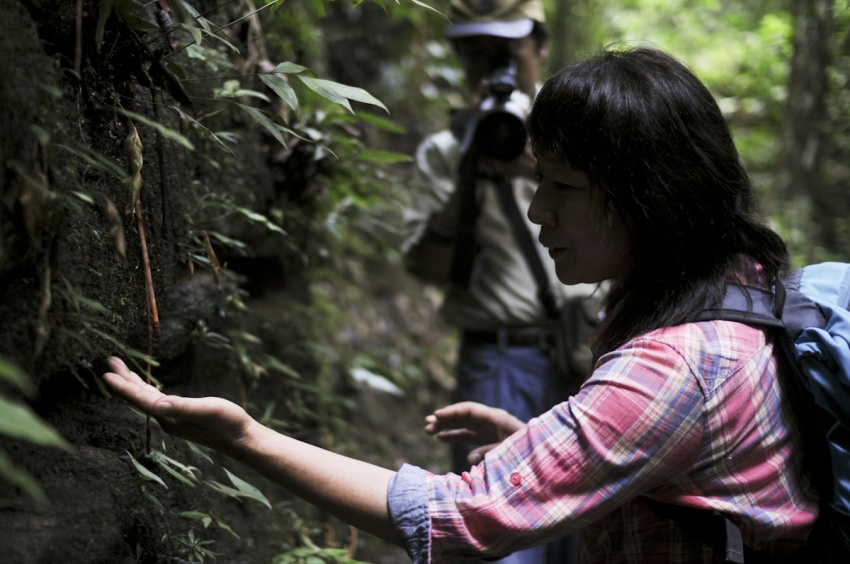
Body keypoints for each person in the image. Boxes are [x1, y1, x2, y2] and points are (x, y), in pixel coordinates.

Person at [103, 47, 820, 563]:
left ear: (649, 196)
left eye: (563, 188)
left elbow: (461, 517)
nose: (539, 212)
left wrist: (241, 437)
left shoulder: (676, 369)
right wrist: (538, 435)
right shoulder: (740, 294)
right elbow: (679, 467)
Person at [402, 0, 602, 489]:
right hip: (500, 360)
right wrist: (469, 177)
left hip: (594, 352)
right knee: (503, 522)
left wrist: (542, 168)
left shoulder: (588, 139)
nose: (490, 65)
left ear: (539, 47)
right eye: (475, 52)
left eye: (505, 51)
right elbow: (427, 268)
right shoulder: (446, 154)